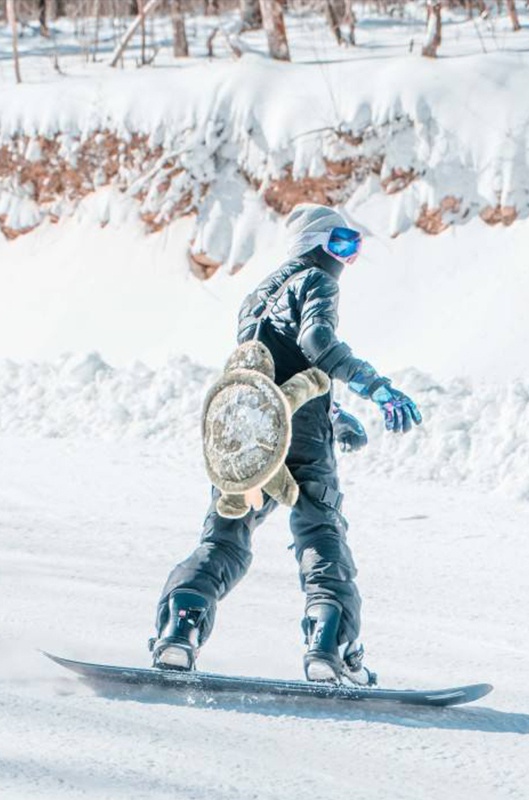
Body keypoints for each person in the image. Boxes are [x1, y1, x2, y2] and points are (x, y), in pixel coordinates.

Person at [149, 204, 422, 684]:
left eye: (353, 247)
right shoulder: (316, 282)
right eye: (342, 243)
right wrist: (375, 386)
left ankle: (179, 630)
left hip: (250, 433)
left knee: (224, 539)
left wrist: (335, 414)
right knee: (321, 534)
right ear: (316, 244)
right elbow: (315, 342)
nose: (347, 258)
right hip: (302, 439)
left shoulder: (256, 297)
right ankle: (330, 647)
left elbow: (276, 367)